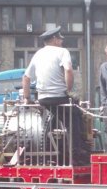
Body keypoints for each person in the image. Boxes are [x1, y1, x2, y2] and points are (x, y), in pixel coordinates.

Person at [22, 26, 90, 165]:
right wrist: (68, 89)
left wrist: (27, 98)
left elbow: (26, 77)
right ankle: (76, 153)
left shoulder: (38, 54)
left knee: (55, 116)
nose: (61, 41)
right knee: (75, 117)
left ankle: (50, 148)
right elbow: (69, 71)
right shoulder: (62, 52)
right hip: (58, 96)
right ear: (53, 39)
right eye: (59, 38)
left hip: (43, 99)